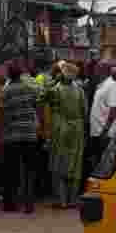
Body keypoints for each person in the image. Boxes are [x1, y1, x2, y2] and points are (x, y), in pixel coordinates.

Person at [1, 61, 39, 214]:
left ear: (9, 74)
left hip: (13, 135)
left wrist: (0, 131)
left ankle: (11, 204)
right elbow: (36, 106)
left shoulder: (7, 90)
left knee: (12, 171)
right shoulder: (30, 88)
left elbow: (3, 113)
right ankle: (29, 204)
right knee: (29, 171)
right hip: (30, 134)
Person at [48, 62, 86, 209]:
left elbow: (43, 100)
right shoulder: (80, 91)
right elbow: (84, 111)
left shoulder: (55, 89)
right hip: (77, 130)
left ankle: (61, 200)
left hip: (60, 129)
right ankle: (72, 200)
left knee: (59, 164)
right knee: (75, 165)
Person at [87, 66, 116, 174]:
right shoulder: (101, 86)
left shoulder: (111, 86)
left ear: (103, 72)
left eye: (96, 70)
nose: (94, 72)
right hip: (97, 131)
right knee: (95, 161)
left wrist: (105, 130)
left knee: (101, 165)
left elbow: (114, 110)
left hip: (103, 133)